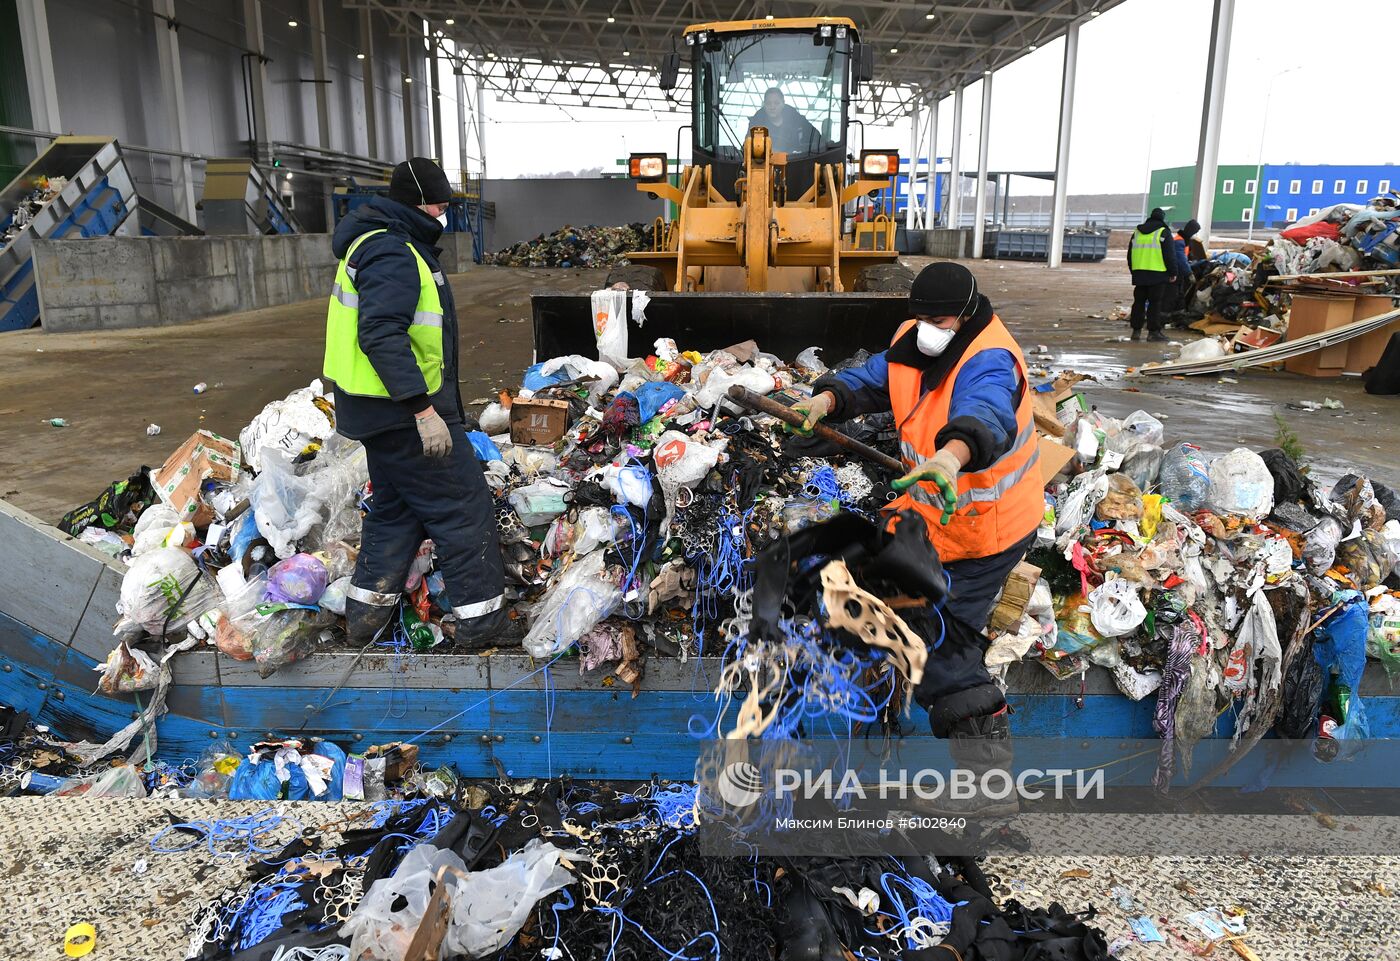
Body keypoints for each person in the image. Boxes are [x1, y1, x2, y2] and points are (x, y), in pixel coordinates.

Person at [791, 262, 1043, 815]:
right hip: (934, 519)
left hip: (987, 530)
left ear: (969, 313)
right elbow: (879, 376)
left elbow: (986, 415)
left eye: (941, 319)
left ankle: (990, 794)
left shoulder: (990, 359)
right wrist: (827, 398)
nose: (929, 326)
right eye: (922, 317)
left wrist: (951, 459)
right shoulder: (918, 339)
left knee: (941, 655)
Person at [323, 157, 506, 646]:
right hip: (402, 414)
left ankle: (363, 618)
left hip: (379, 413)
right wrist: (424, 411)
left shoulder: (379, 243)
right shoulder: (393, 252)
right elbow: (381, 334)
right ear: (412, 203)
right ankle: (481, 624)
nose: (442, 212)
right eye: (437, 203)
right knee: (463, 507)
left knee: (396, 511)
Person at [1126, 207, 1177, 342]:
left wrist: (1134, 271)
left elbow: (1129, 255)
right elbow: (1170, 255)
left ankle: (1136, 331)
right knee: (1155, 303)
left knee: (1138, 302)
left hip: (1139, 274)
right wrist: (1173, 272)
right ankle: (1153, 332)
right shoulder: (1163, 232)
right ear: (1162, 218)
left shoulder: (1137, 232)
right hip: (1158, 274)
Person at [747, 87, 822, 155]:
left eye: (776, 103)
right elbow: (748, 148)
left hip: (797, 163)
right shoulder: (756, 125)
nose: (772, 107)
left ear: (783, 104)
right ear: (764, 105)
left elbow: (818, 141)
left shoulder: (799, 123)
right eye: (768, 103)